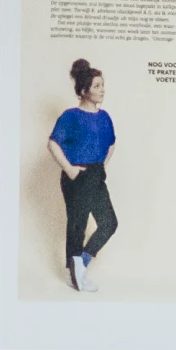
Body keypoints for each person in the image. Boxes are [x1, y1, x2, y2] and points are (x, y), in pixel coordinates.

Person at [49, 58, 118, 290]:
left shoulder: (105, 117)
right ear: (84, 90)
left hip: (96, 175)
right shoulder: (70, 116)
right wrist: (69, 170)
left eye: (103, 85)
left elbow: (111, 145)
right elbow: (52, 144)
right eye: (97, 86)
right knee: (77, 225)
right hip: (76, 176)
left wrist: (101, 167)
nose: (102, 90)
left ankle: (80, 265)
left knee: (109, 223)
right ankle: (77, 275)